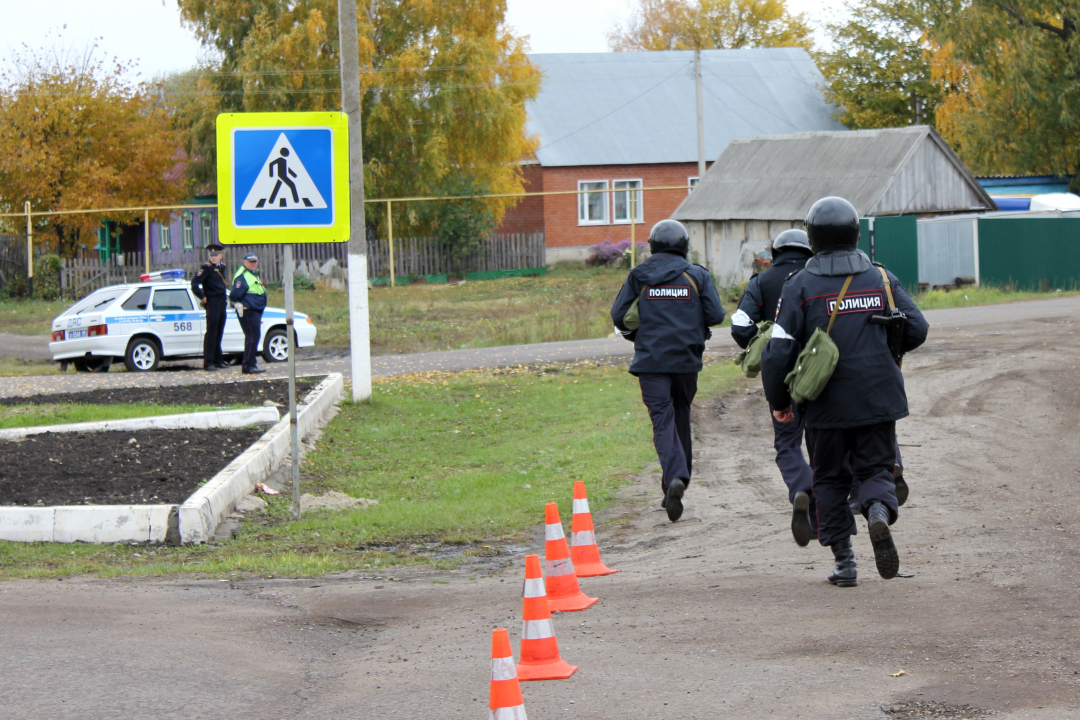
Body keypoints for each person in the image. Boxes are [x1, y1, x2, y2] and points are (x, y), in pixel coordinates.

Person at [761, 197, 928, 586]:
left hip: (825, 404)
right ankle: (878, 515)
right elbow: (917, 328)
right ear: (855, 232)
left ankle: (845, 563)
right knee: (876, 468)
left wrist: (780, 402)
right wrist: (883, 351)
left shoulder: (799, 284)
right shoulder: (881, 278)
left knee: (831, 479)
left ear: (813, 237)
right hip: (879, 397)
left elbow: (779, 351)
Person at [611, 219, 727, 522]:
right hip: (687, 361)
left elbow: (619, 316)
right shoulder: (697, 275)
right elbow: (715, 315)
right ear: (684, 246)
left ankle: (674, 477)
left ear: (652, 245)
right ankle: (676, 485)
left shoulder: (639, 275)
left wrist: (641, 332)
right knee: (681, 415)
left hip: (651, 362)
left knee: (662, 419)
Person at [730, 229, 817, 546]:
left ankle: (801, 488)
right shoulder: (817, 276)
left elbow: (739, 326)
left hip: (783, 372)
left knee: (787, 443)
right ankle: (833, 513)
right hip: (821, 372)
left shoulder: (761, 282)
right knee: (822, 442)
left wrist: (760, 339)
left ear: (776, 252)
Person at [191, 243, 230, 371]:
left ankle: (218, 360)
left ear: (221, 256)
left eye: (216, 255)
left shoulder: (222, 267)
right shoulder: (206, 268)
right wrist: (202, 297)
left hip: (221, 302)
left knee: (219, 331)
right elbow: (194, 284)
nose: (213, 257)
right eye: (211, 255)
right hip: (212, 302)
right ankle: (208, 362)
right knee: (211, 333)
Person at [230, 253, 268, 374]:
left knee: (253, 337)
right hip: (248, 311)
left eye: (255, 261)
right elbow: (235, 294)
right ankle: (248, 366)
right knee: (252, 338)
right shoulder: (243, 276)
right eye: (250, 262)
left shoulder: (251, 275)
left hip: (254, 311)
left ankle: (251, 364)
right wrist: (241, 304)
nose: (253, 263)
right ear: (244, 262)